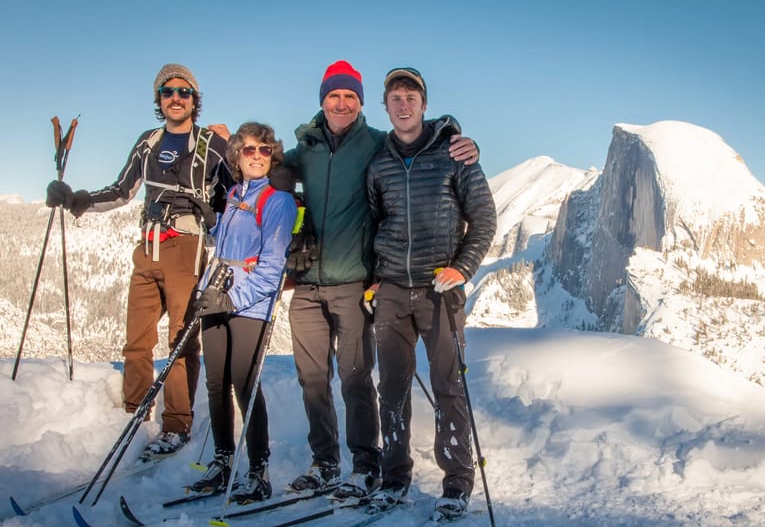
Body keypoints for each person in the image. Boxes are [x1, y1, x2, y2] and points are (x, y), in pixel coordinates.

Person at [281, 60, 480, 501]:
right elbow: (373, 216)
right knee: (358, 386)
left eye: (350, 96)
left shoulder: (406, 148)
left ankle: (426, 476)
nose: (342, 103)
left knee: (419, 383)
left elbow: (477, 211)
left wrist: (460, 134)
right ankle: (360, 470)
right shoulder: (333, 152)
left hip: (404, 286)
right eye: (334, 95)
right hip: (359, 286)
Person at [45, 64, 233, 461]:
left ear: (194, 100)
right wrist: (78, 200)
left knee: (181, 341)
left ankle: (177, 424)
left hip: (187, 247)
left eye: (184, 92)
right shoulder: (148, 142)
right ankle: (133, 414)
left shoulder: (210, 144)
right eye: (168, 92)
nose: (176, 98)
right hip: (147, 247)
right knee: (137, 340)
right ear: (159, 99)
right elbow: (122, 190)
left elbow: (235, 195)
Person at [364, 67, 496, 519]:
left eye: (411, 97)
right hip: (391, 291)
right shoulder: (378, 163)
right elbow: (373, 223)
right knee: (391, 388)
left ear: (424, 104)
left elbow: (484, 218)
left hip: (440, 289)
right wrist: (374, 277)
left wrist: (462, 268)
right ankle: (394, 478)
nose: (403, 105)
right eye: (395, 98)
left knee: (449, 385)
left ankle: (457, 481)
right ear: (386, 107)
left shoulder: (454, 153)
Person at [187, 122, 297, 503]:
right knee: (216, 382)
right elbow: (226, 248)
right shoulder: (234, 194)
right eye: (249, 149)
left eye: (265, 150)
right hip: (217, 293)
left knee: (244, 383)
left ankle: (258, 471)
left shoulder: (278, 201)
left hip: (250, 303)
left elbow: (272, 268)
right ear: (237, 155)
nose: (257, 156)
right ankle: (222, 462)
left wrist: (233, 299)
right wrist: (213, 223)